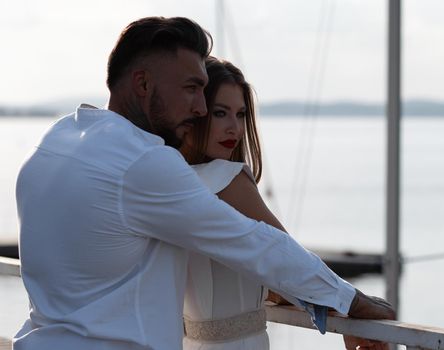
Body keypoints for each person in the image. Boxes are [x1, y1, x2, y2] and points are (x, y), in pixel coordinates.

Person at [14, 16, 394, 350]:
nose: (199, 108)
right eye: (192, 88)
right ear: (143, 84)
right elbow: (253, 243)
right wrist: (350, 301)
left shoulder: (55, 142)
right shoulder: (145, 162)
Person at [180, 57, 387, 350]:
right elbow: (290, 264)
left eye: (240, 115)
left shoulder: (175, 182)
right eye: (220, 113)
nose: (234, 129)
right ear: (197, 113)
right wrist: (352, 305)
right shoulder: (228, 178)